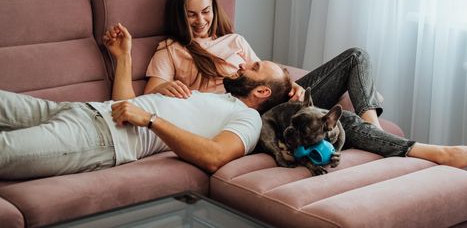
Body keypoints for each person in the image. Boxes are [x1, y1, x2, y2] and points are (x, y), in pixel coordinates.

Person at [142, 0, 467, 168]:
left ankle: (371, 125)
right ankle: (429, 151)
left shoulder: (235, 40)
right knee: (339, 123)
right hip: (247, 119)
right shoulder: (171, 51)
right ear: (180, 16)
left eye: (205, 12)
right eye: (192, 15)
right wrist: (168, 86)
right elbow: (147, 97)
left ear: (213, 8)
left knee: (356, 56)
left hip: (273, 100)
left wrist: (292, 86)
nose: (201, 21)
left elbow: (265, 77)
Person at [0, 24, 292, 180]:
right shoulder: (215, 96)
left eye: (254, 68)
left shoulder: (249, 120)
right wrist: (123, 56)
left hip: (98, 139)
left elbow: (215, 157)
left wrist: (151, 121)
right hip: (84, 110)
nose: (242, 65)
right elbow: (127, 106)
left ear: (262, 92)